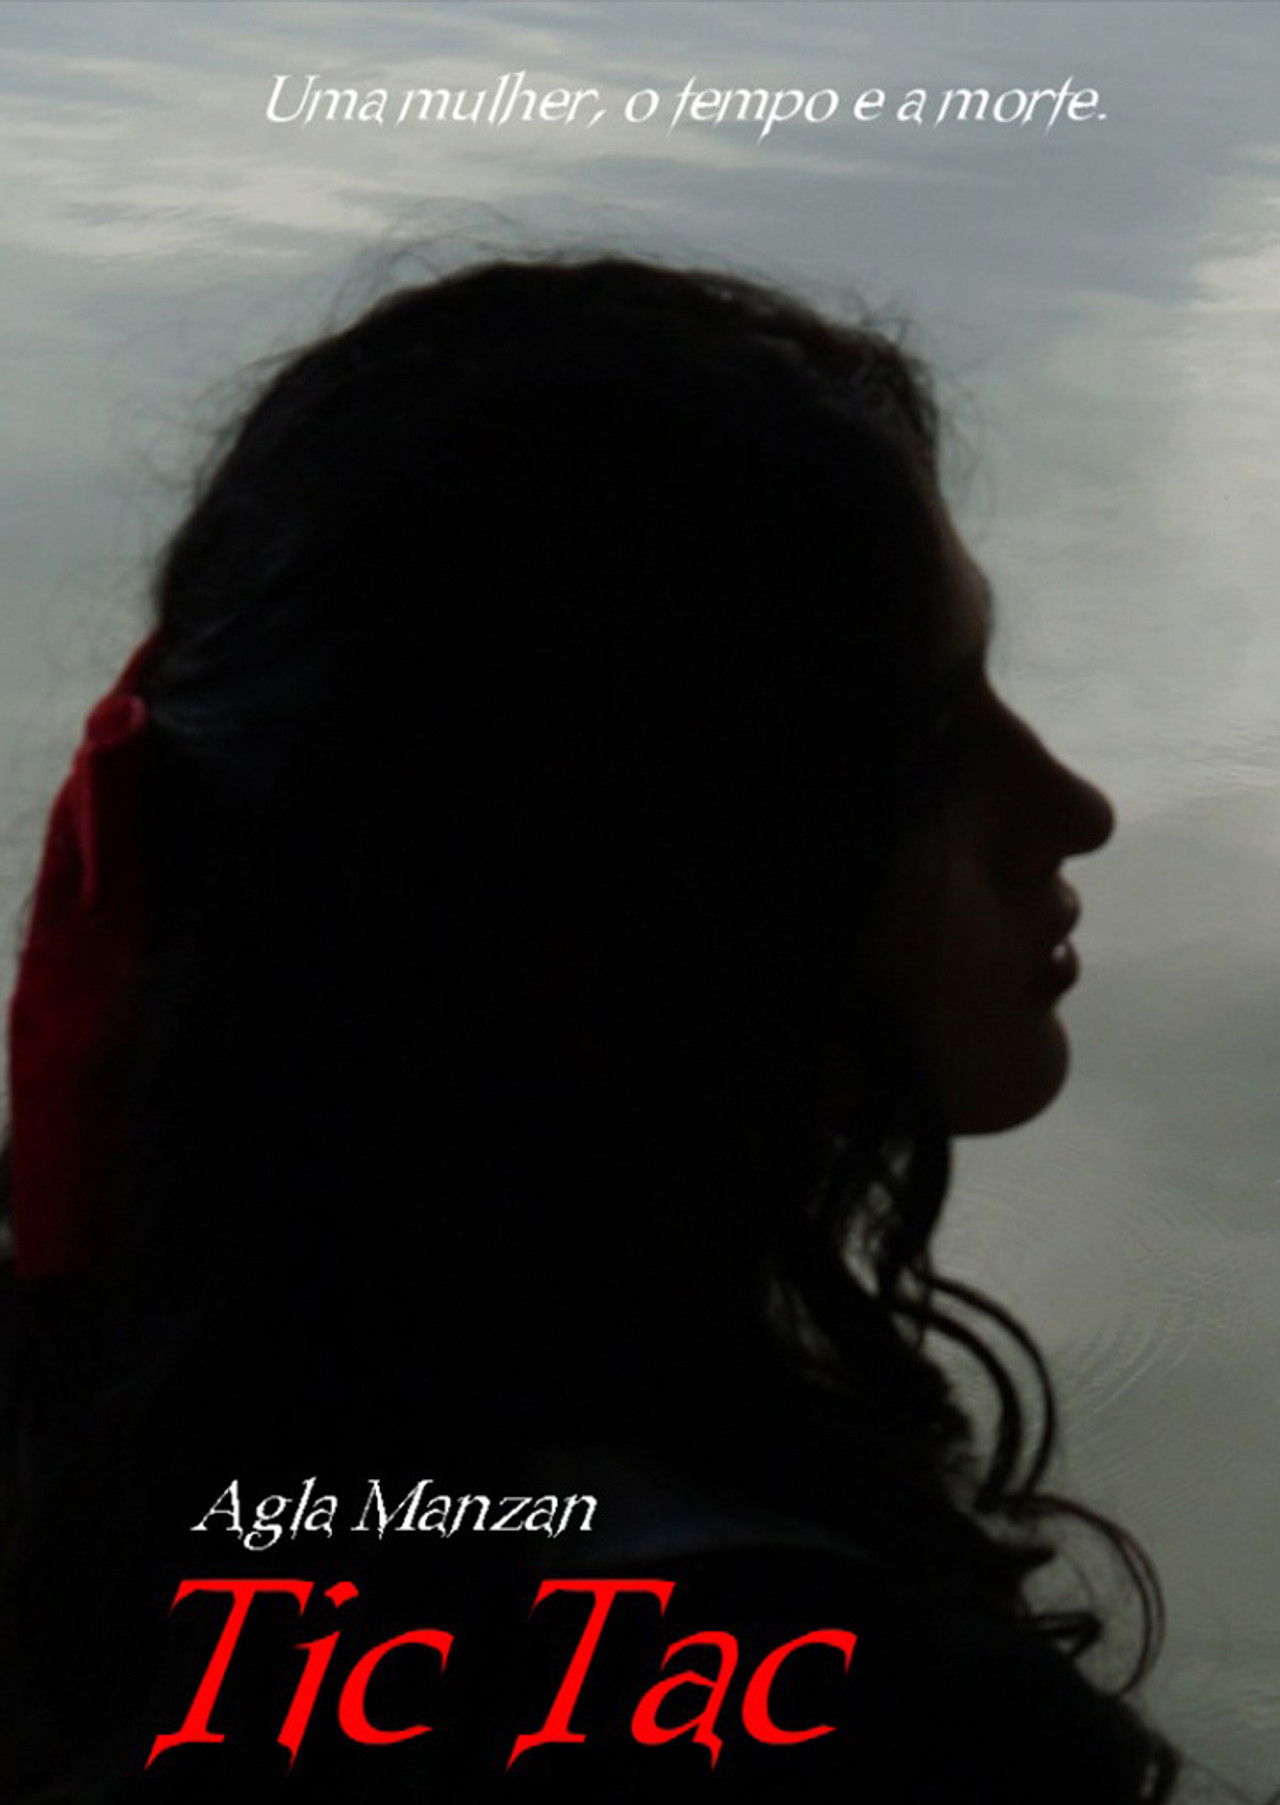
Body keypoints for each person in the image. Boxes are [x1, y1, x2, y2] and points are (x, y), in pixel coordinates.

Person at [0, 256, 1182, 1801]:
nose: (1073, 809)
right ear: (633, 889)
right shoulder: (854, 1728)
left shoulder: (105, 1460)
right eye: (926, 742)